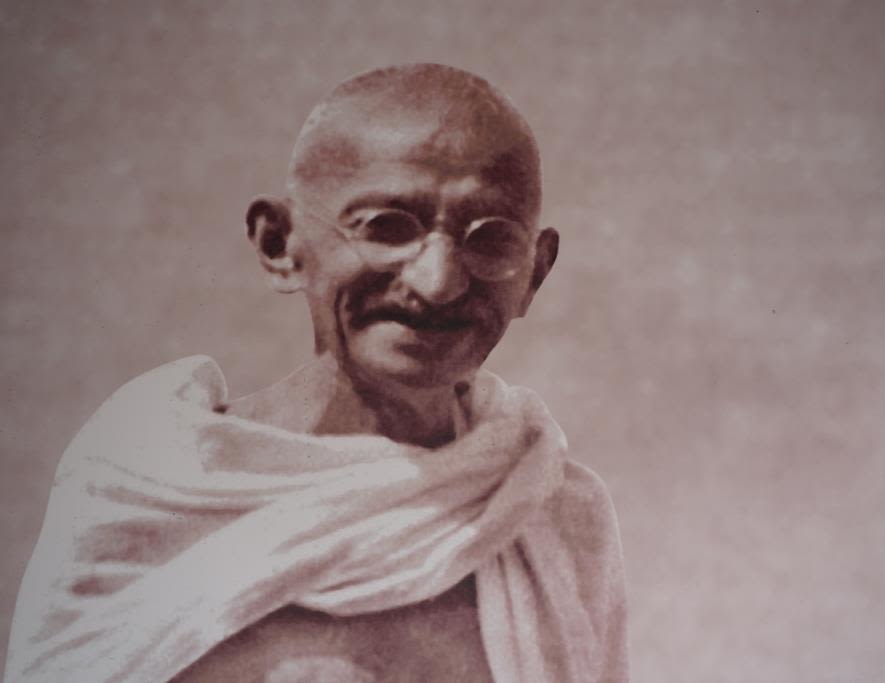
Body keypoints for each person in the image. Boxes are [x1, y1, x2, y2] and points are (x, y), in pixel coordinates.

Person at [5, 63, 628, 683]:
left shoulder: (545, 511)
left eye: (489, 240)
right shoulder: (155, 487)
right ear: (279, 245)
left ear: (535, 272)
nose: (437, 282)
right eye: (387, 228)